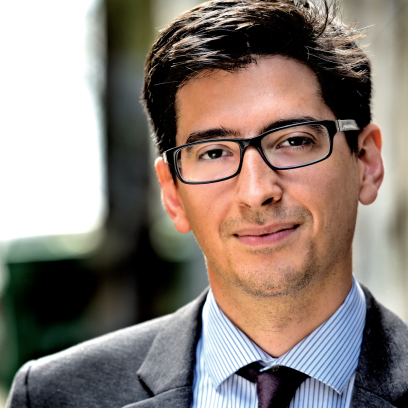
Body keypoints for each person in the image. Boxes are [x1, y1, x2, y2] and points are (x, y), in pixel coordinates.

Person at [6, 0, 408, 407]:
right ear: (172, 194)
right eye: (214, 153)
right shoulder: (52, 396)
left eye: (294, 141)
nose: (256, 191)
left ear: (366, 162)